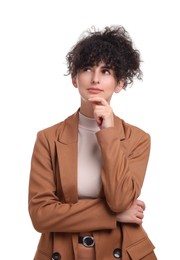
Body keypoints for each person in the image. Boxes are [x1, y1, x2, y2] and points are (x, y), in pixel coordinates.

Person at [28, 25, 157, 260]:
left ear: (119, 83)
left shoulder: (138, 139)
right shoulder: (47, 139)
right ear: (75, 79)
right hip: (62, 252)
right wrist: (113, 216)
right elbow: (41, 215)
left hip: (122, 250)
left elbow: (119, 200)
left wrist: (108, 132)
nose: (95, 78)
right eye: (87, 68)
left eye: (106, 71)